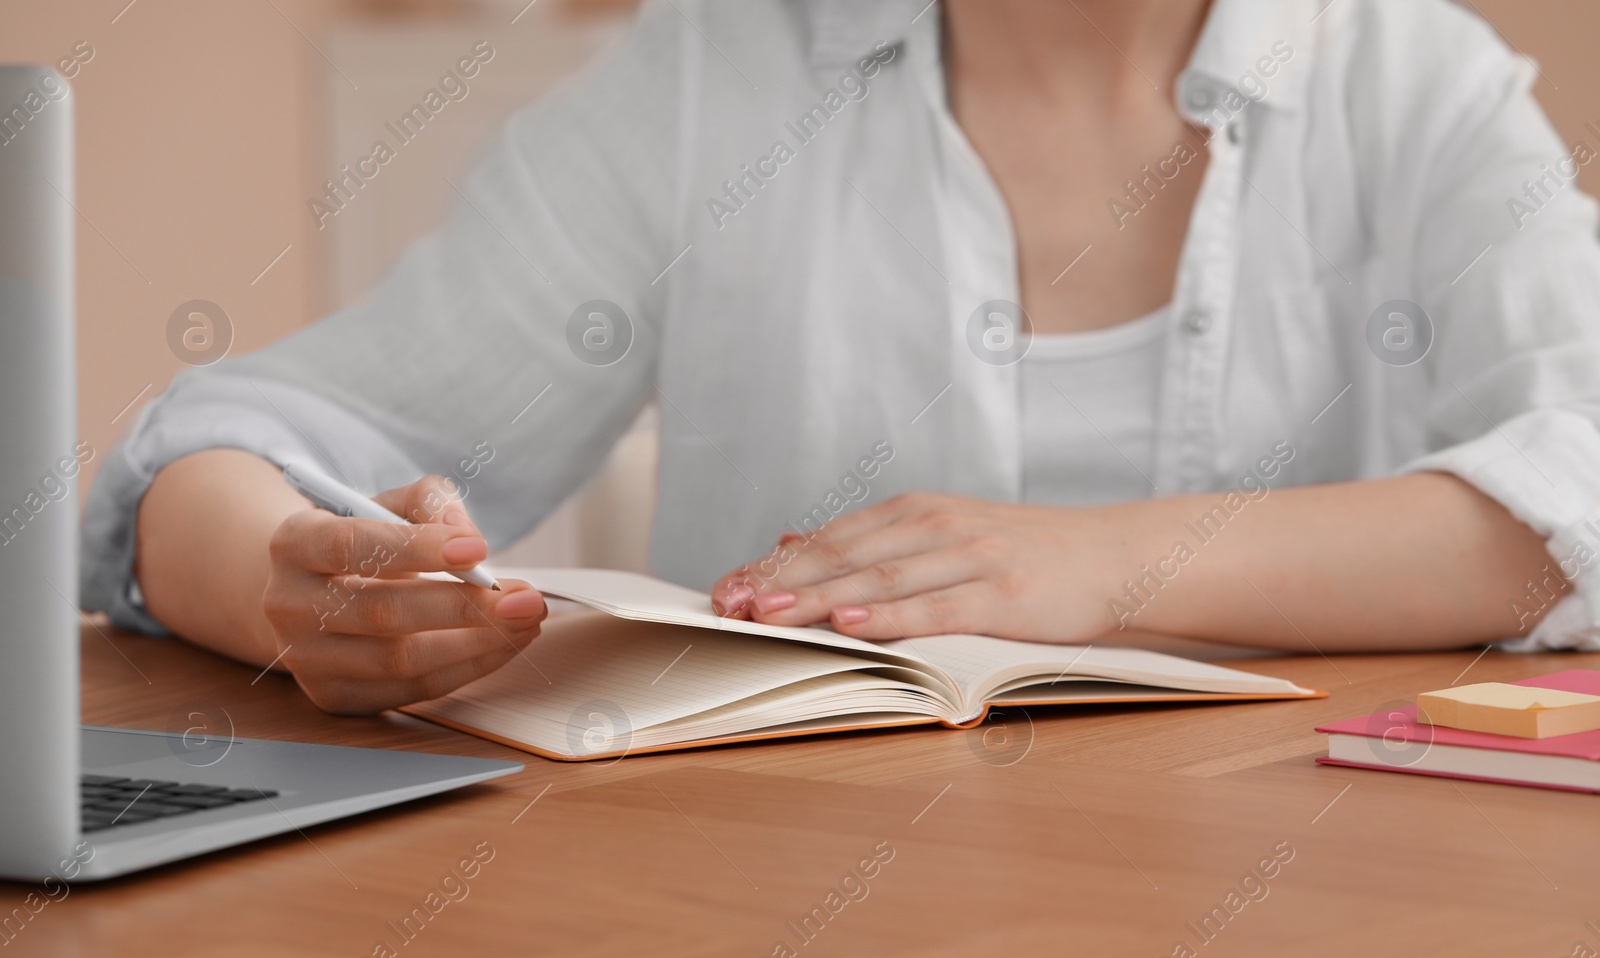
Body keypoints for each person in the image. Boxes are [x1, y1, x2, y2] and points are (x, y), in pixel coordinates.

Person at [84, 0, 1600, 714]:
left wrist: (1110, 566)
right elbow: (239, 444)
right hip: (779, 935)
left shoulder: (1420, 84)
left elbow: (1582, 469)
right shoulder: (710, 78)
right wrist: (297, 583)